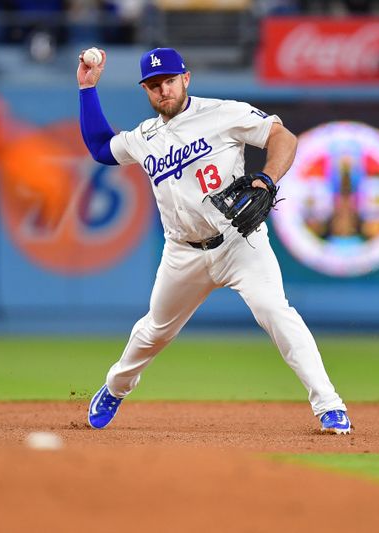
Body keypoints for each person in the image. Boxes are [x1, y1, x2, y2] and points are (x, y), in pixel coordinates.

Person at [77, 47, 352, 435]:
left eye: (169, 81)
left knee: (276, 313)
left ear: (185, 79)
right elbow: (102, 148)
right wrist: (88, 90)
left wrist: (268, 178)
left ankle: (330, 406)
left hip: (240, 242)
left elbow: (282, 137)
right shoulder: (144, 137)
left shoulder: (223, 113)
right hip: (183, 253)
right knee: (155, 330)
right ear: (146, 90)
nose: (163, 91)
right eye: (154, 86)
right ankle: (115, 388)